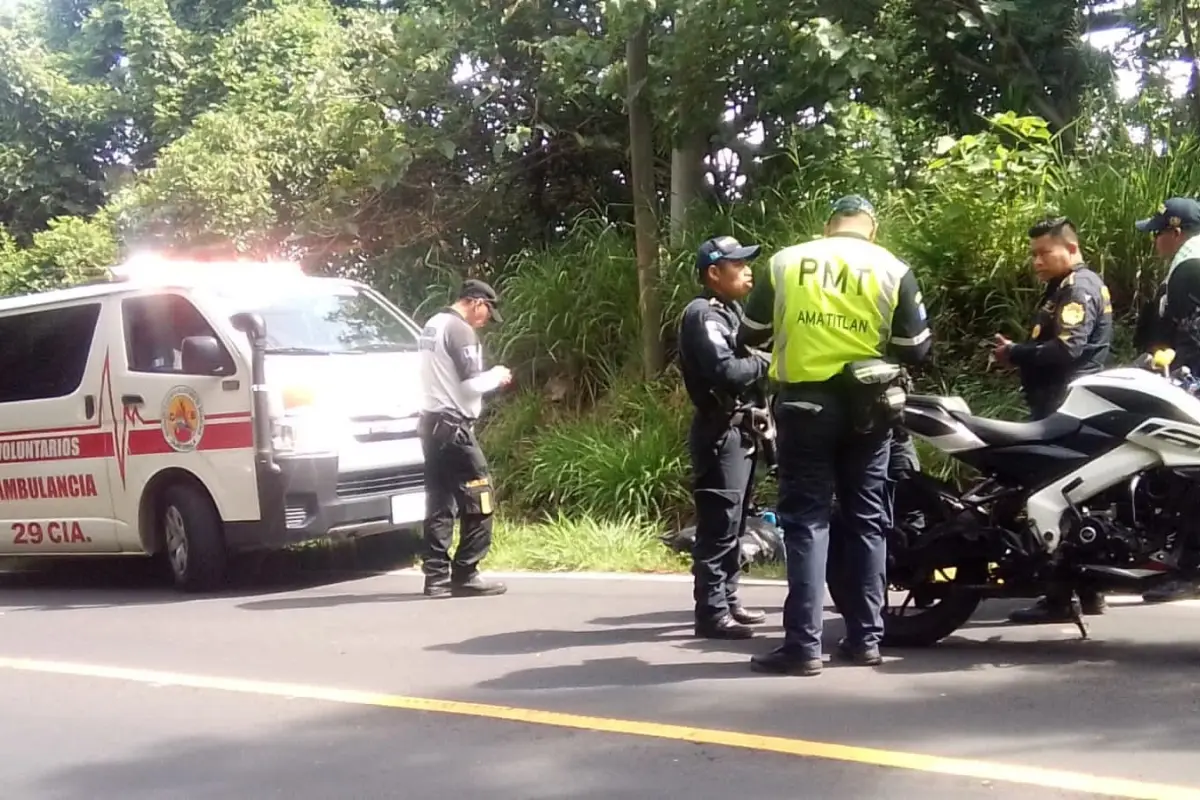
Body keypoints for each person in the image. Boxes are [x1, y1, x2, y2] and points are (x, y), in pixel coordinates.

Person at [739, 195, 932, 676]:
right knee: (868, 520)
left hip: (805, 405)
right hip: (870, 408)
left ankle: (803, 647)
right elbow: (917, 347)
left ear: (828, 228)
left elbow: (751, 335)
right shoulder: (892, 267)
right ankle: (866, 639)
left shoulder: (786, 262)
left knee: (807, 522)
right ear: (872, 227)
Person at [991, 217, 1114, 624]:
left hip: (1066, 405)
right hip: (1064, 404)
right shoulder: (1066, 286)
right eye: (1034, 255)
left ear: (1071, 249)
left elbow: (1067, 350)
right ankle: (1088, 590)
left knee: (1054, 498)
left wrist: (1018, 353)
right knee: (1077, 498)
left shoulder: (1078, 287)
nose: (1037, 261)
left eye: (1044, 253)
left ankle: (1061, 599)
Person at [677, 235, 772, 639]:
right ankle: (712, 613)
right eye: (738, 264)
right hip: (721, 432)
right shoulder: (704, 315)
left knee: (736, 523)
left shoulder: (733, 312)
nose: (748, 269)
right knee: (719, 524)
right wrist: (767, 360)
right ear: (714, 273)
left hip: (742, 431)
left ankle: (729, 599)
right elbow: (729, 372)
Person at [417, 279, 512, 598]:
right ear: (475, 302)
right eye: (487, 310)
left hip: (431, 425)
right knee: (480, 494)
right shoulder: (459, 330)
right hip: (454, 427)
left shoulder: (432, 324)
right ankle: (466, 572)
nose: (485, 319)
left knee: (440, 502)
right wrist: (498, 375)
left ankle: (436, 578)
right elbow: (470, 385)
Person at [1131, 197, 1200, 604]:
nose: (1155, 239)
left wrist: (1184, 380)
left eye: (1158, 232)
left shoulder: (1190, 265)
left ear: (1176, 232)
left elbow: (1191, 335)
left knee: (1191, 475)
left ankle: (1190, 567)